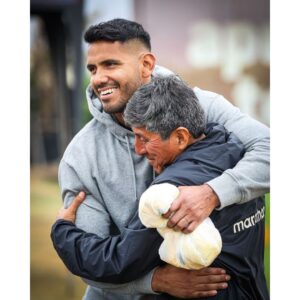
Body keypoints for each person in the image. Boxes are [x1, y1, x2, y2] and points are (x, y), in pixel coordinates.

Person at [54, 18, 270, 299]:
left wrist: (212, 194)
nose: (97, 79)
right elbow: (98, 264)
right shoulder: (81, 156)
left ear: (146, 64)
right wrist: (155, 282)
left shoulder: (204, 109)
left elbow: (274, 151)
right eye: (92, 69)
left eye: (111, 64)